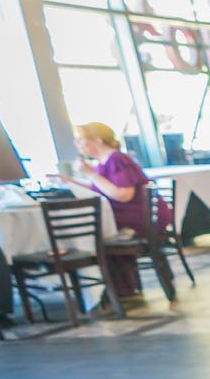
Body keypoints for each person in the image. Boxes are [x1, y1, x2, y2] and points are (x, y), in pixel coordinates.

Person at [63, 122, 158, 298]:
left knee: (87, 232)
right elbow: (100, 189)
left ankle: (100, 291)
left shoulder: (117, 159)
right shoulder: (103, 162)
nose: (78, 145)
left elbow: (123, 195)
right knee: (87, 229)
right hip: (120, 216)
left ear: (97, 140)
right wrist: (70, 180)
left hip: (133, 218)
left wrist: (90, 174)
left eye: (81, 140)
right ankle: (115, 287)